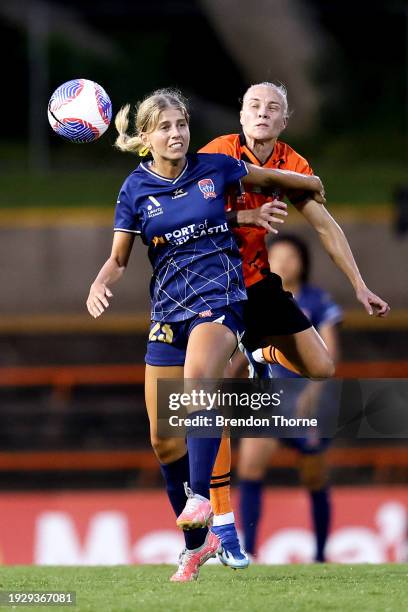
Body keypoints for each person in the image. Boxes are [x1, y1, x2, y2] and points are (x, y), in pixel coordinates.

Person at [86, 88, 323, 582]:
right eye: (166, 127)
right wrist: (100, 282)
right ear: (146, 136)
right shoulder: (135, 189)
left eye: (182, 125)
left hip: (221, 302)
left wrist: (308, 182)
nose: (177, 134)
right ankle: (197, 545)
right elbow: (119, 258)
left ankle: (202, 500)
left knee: (198, 382)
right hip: (167, 312)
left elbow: (265, 177)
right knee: (163, 440)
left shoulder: (214, 166)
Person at [200, 81, 389, 568]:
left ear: (285, 120)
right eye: (255, 106)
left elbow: (325, 225)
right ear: (240, 115)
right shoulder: (216, 153)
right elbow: (189, 213)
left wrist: (360, 285)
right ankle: (224, 525)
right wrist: (250, 208)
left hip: (257, 283)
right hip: (210, 285)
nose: (263, 113)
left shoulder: (292, 162)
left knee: (322, 369)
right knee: (205, 398)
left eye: (274, 108)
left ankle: (262, 353)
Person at [238, 233, 342, 562]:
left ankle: (321, 554)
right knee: (250, 467)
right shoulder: (256, 297)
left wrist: (312, 393)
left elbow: (329, 353)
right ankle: (249, 550)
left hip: (304, 401)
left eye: (291, 256)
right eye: (277, 255)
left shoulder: (316, 300)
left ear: (303, 263)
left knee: (314, 474)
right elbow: (243, 347)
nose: (284, 262)